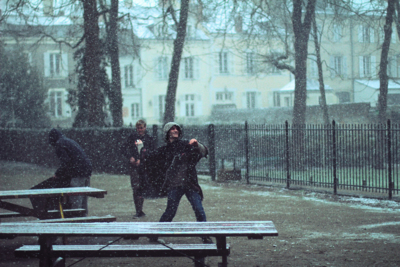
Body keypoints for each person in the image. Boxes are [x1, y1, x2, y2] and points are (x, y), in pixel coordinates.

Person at [144, 122, 213, 244]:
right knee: (170, 212)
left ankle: (205, 235)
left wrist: (197, 145)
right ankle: (154, 235)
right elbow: (149, 159)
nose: (175, 130)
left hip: (190, 184)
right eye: (172, 129)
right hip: (174, 185)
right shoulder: (164, 150)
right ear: (167, 133)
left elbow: (204, 151)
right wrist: (140, 149)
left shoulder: (186, 144)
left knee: (199, 209)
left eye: (177, 129)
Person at [31, 128, 92, 218]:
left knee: (76, 196)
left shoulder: (59, 144)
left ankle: (76, 219)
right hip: (87, 170)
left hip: (78, 172)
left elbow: (66, 163)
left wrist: (57, 174)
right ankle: (83, 216)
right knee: (83, 197)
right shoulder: (68, 141)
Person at [121, 119, 155, 218]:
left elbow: (152, 152)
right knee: (136, 187)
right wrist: (130, 157)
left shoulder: (149, 138)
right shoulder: (132, 137)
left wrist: (143, 159)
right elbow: (123, 148)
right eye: (138, 128)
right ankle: (139, 210)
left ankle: (140, 209)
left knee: (141, 186)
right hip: (134, 166)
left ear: (145, 127)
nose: (139, 130)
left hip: (144, 166)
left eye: (141, 128)